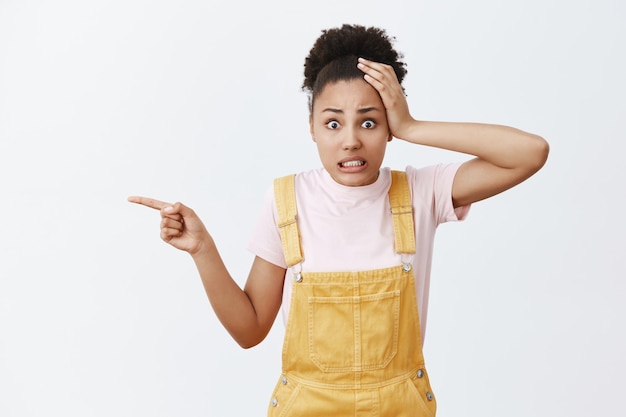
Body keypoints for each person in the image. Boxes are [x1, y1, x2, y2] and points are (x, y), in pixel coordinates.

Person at [129, 24, 548, 416]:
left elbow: (529, 153)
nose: (350, 139)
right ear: (312, 128)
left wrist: (413, 125)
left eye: (370, 121)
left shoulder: (422, 192)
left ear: (389, 128)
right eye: (332, 123)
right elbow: (250, 329)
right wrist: (203, 250)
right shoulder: (286, 201)